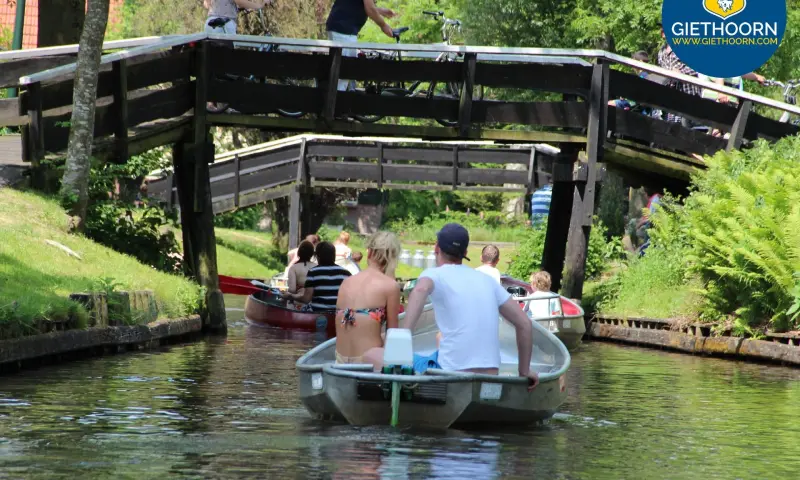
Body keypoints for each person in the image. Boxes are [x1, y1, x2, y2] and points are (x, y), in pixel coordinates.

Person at [403, 223, 539, 391]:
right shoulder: (487, 281)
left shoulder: (433, 274)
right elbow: (524, 324)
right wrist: (524, 371)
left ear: (436, 247)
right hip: (490, 376)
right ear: (465, 253)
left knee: (374, 355)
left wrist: (403, 338)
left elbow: (421, 288)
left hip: (450, 373)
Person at [333, 231, 402, 370]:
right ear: (393, 257)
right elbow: (393, 335)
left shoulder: (346, 283)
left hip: (340, 361)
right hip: (367, 363)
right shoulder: (390, 286)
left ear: (369, 252)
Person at [326, 0, 398, 91]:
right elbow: (369, 9)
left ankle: (337, 100)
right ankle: (335, 102)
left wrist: (381, 11)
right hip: (344, 30)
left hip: (341, 27)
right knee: (344, 73)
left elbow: (359, 4)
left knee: (343, 72)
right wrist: (384, 26)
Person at [283, 242, 351, 311]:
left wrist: (291, 296)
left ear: (318, 256)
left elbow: (306, 299)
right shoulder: (346, 273)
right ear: (334, 256)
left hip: (318, 314)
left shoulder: (313, 272)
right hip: (337, 314)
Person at [657, 24, 700, 126]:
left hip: (687, 93)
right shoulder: (661, 51)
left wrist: (681, 72)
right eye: (662, 29)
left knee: (686, 127)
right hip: (670, 95)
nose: (662, 31)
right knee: (669, 126)